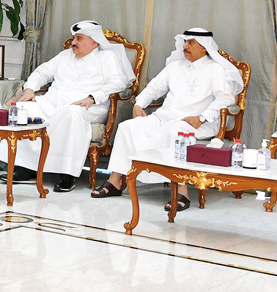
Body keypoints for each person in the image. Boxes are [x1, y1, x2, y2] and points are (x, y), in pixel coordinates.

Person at [92, 28, 243, 211]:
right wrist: (139, 105)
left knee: (175, 133)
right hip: (164, 118)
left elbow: (226, 98)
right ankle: (115, 181)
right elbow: (154, 88)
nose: (185, 46)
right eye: (185, 42)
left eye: (190, 43)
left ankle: (182, 192)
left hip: (196, 123)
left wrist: (202, 117)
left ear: (204, 47)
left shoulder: (215, 69)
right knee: (127, 127)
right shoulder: (175, 66)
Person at [0, 20, 132, 192]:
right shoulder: (65, 55)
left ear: (94, 41)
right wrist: (30, 89)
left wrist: (93, 97)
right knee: (25, 108)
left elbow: (119, 82)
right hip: (53, 103)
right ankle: (27, 168)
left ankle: (67, 174)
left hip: (88, 106)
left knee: (72, 114)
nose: (73, 42)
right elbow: (42, 72)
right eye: (74, 38)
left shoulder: (107, 57)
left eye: (79, 38)